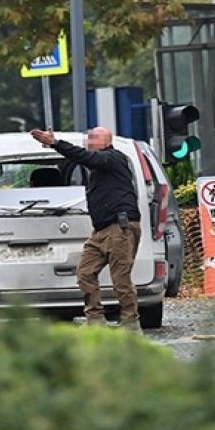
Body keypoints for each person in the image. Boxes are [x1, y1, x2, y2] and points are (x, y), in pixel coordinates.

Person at [29, 126, 142, 331]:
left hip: (120, 227)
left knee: (121, 279)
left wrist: (56, 143)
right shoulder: (99, 166)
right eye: (88, 137)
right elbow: (86, 159)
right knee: (85, 273)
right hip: (101, 230)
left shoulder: (113, 157)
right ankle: (95, 319)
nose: (88, 140)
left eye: (93, 137)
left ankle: (130, 322)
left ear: (106, 141)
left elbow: (87, 158)